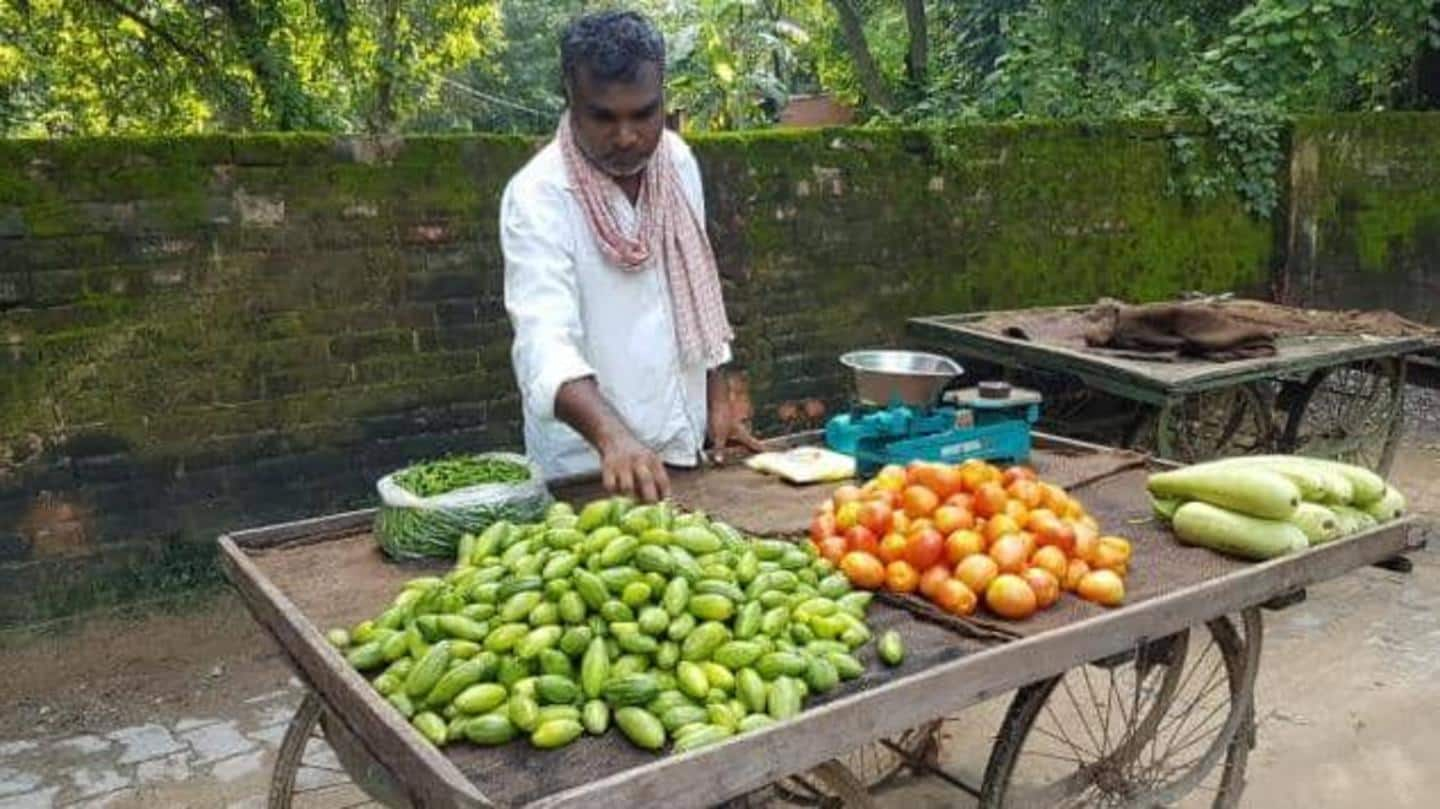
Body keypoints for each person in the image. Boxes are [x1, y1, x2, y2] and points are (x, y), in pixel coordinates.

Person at [500, 9, 760, 503]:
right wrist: (613, 438)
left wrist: (716, 398)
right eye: (603, 116)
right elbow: (544, 343)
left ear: (662, 96)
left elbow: (697, 284)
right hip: (591, 465)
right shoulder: (538, 195)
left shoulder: (678, 163)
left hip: (685, 445)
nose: (626, 136)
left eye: (643, 114)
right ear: (571, 101)